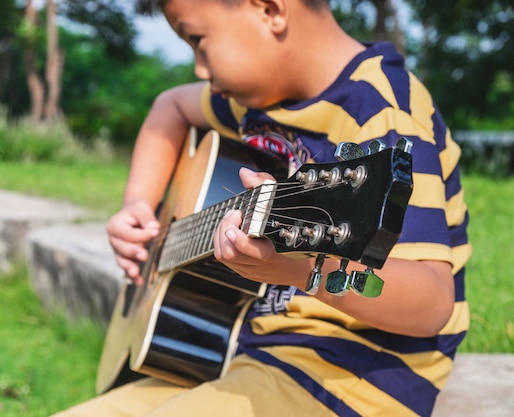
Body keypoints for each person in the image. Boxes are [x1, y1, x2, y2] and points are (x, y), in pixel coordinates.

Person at [53, 0, 471, 416]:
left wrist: (299, 269)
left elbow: (433, 304)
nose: (200, 70)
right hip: (247, 351)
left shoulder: (382, 111)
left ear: (270, 10)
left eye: (198, 40)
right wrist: (139, 206)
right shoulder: (261, 99)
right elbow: (169, 107)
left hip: (353, 380)